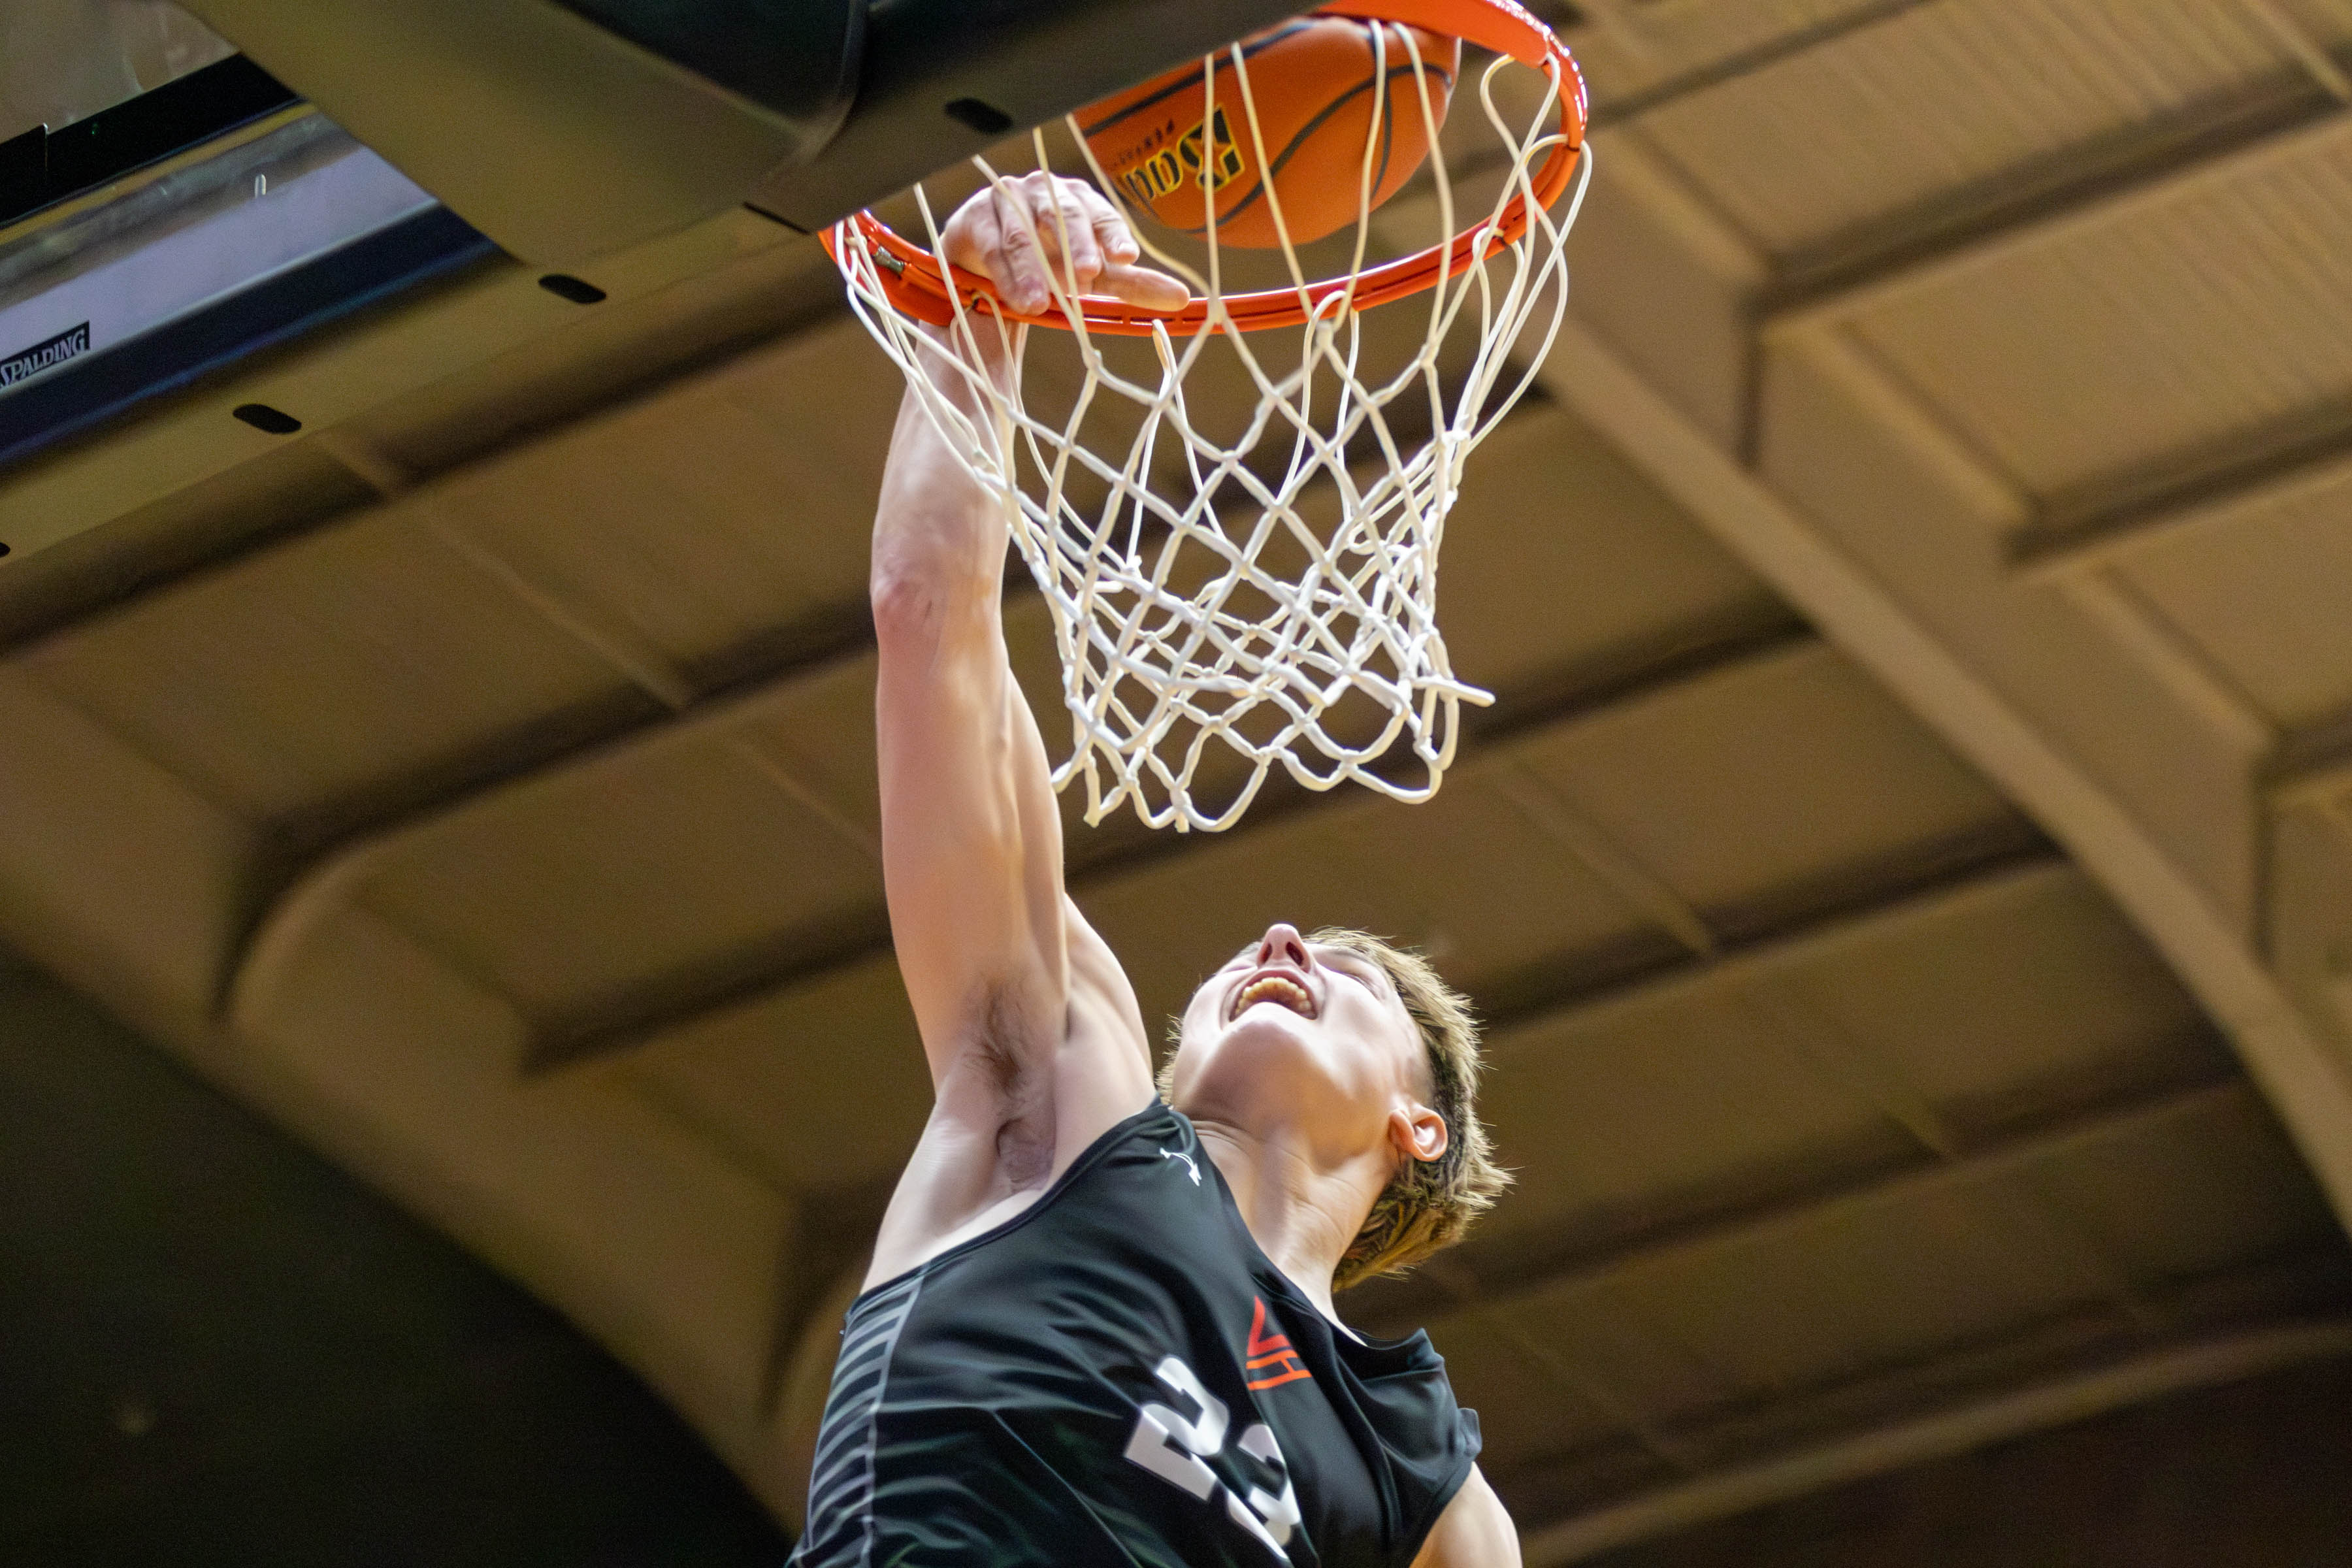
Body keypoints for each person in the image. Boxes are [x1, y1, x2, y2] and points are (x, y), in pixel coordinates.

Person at [791, 172, 1517, 1568]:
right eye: (1257, 959)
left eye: (1353, 976)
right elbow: (927, 622)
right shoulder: (1069, 1095)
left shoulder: (1426, 1491)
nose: (1284, 939)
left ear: (1418, 1126)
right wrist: (976, 313)